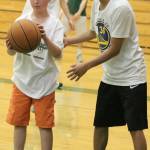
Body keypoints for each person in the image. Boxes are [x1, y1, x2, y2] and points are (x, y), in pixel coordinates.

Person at [64, 0, 148, 149]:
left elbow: (115, 49)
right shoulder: (97, 3)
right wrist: (68, 41)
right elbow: (93, 32)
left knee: (135, 128)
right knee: (101, 123)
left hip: (131, 76)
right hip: (110, 76)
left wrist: (86, 65)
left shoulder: (121, 8)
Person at [6, 0, 64, 149]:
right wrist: (10, 47)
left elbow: (58, 54)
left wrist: (45, 38)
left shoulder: (55, 24)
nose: (36, 1)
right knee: (19, 123)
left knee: (45, 126)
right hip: (21, 81)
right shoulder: (21, 22)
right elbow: (11, 52)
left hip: (45, 83)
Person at [22, 0, 74, 90]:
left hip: (50, 17)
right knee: (32, 49)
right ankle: (28, 76)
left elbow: (62, 2)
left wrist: (69, 18)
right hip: (33, 13)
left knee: (50, 52)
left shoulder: (54, 22)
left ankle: (50, 79)